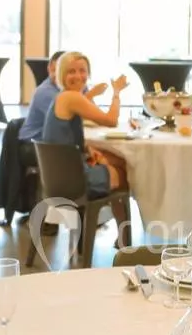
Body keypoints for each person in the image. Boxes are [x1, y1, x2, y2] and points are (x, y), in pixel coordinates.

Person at [41, 52, 132, 247]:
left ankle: (115, 235)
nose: (78, 76)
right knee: (126, 172)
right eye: (71, 71)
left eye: (82, 71)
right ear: (62, 74)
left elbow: (65, 135)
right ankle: (124, 239)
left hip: (55, 179)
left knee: (115, 160)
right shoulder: (71, 97)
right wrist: (116, 92)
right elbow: (111, 120)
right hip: (74, 182)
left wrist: (88, 149)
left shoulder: (62, 97)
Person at [19, 50, 66, 142]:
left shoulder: (76, 86)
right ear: (49, 68)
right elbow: (68, 118)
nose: (57, 75)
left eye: (62, 71)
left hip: (54, 137)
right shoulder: (45, 92)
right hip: (35, 142)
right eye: (54, 70)